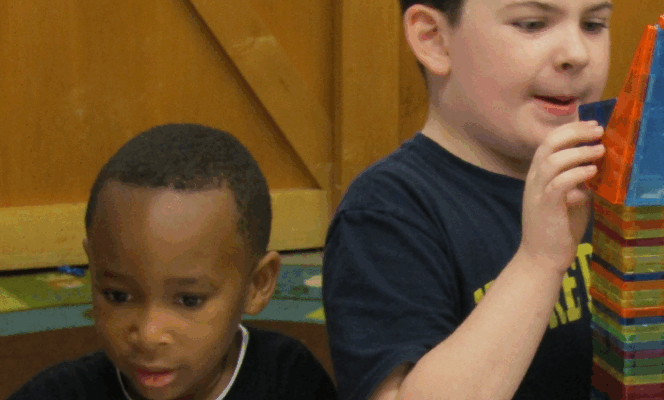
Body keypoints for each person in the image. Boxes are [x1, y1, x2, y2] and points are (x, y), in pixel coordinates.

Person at [322, 0, 611, 399]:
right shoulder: (386, 212)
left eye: (594, 24)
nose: (577, 54)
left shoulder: (616, 179)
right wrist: (539, 261)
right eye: (532, 24)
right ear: (434, 39)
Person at [8, 124, 337, 400]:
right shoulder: (60, 395)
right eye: (118, 296)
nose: (149, 335)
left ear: (258, 284)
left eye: (189, 301)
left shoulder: (290, 382)